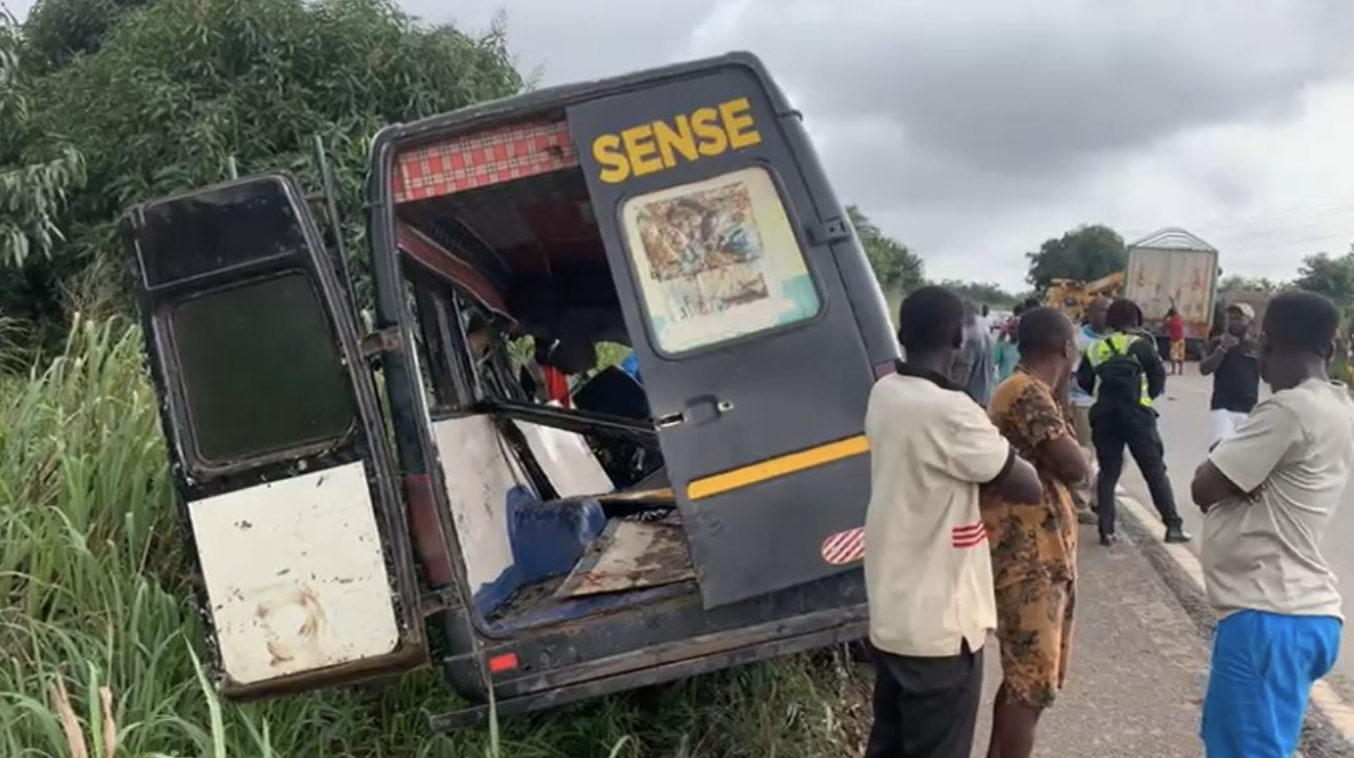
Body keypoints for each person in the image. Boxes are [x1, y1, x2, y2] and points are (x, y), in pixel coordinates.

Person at [864, 285, 1042, 758]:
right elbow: (1028, 485)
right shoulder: (950, 412)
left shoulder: (885, 393)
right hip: (940, 630)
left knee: (890, 745)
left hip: (893, 616)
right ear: (959, 339)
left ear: (902, 334)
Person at [1190, 291, 1353, 758]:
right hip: (1305, 613)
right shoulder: (1339, 406)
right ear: (1332, 347)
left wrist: (1234, 475)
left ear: (1265, 344)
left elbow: (1204, 487)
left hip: (1267, 615)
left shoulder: (1287, 410)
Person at [982, 307, 1089, 758]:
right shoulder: (1026, 391)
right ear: (1066, 348)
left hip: (1041, 556)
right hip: (1029, 560)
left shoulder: (1031, 389)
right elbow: (1077, 467)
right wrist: (1079, 454)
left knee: (1025, 680)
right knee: (1030, 686)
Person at [1076, 298, 1190, 545]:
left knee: (1109, 472)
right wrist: (1145, 396)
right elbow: (1159, 379)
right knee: (1154, 471)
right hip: (1138, 416)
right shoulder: (1142, 345)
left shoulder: (1096, 348)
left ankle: (1106, 530)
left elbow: (1083, 381)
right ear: (1135, 319)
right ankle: (1173, 526)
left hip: (1105, 416)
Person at [1068, 296, 1110, 525]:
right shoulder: (1078, 338)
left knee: (1115, 457)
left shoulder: (1115, 338)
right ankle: (1079, 503)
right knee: (1083, 453)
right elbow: (1070, 372)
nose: (1105, 315)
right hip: (1081, 401)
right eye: (1101, 310)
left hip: (1107, 402)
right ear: (1090, 313)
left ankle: (1096, 496)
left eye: (1109, 311)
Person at [1198, 302, 1258, 447]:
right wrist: (1223, 349)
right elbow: (1204, 369)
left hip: (1247, 409)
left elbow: (1269, 374)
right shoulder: (1217, 342)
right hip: (1222, 406)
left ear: (1249, 322)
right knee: (1219, 450)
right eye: (1230, 318)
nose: (1233, 322)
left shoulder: (1256, 347)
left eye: (1238, 319)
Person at [952, 301, 996, 406]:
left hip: (970, 400)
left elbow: (961, 378)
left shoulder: (970, 339)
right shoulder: (985, 335)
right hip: (985, 397)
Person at [1165, 307, 1186, 375]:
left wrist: (1166, 316)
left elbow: (1165, 325)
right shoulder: (1180, 320)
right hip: (1181, 339)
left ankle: (1173, 371)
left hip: (1174, 340)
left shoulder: (1170, 322)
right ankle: (1180, 371)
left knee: (1173, 356)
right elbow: (1179, 316)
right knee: (1181, 355)